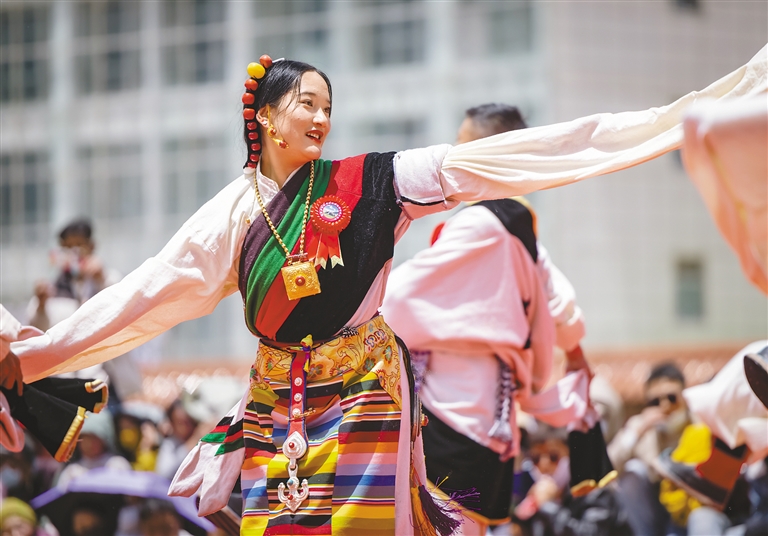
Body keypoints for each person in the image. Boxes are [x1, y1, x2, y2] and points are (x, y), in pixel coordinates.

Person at [2, 48, 765, 536]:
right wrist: (34, 359)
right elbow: (145, 296)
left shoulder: (371, 182)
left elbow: (507, 161)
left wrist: (664, 126)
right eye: (306, 103)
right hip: (275, 402)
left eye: (327, 105)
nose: (321, 116)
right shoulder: (229, 216)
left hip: (369, 390)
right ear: (265, 117)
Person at [381, 103, 592, 535]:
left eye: (462, 145)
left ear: (493, 150)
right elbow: (563, 311)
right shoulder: (523, 235)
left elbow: (397, 295)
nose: (453, 156)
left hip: (445, 407)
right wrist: (574, 352)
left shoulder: (478, 224)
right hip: (493, 418)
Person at [607, 363, 690, 535]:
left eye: (671, 398)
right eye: (655, 401)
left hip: (687, 505)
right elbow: (607, 467)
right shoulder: (639, 426)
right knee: (633, 471)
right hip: (651, 504)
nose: (664, 406)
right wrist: (636, 433)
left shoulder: (697, 423)